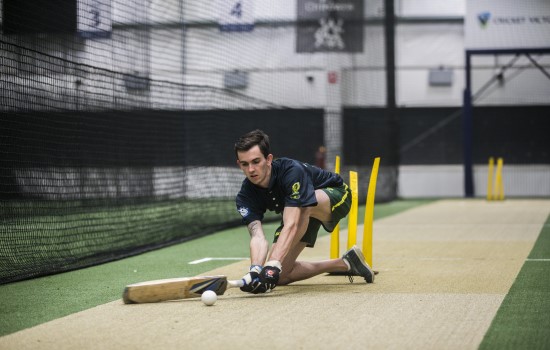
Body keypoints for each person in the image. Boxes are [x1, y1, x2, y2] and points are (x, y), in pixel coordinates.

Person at [234, 129, 374, 294]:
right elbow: (257, 236)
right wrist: (256, 270)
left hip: (334, 195)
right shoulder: (245, 195)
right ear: (239, 164)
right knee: (282, 276)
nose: (251, 169)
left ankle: (273, 264)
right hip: (299, 213)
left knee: (302, 209)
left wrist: (272, 264)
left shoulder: (291, 171)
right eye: (245, 164)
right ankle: (347, 263)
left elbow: (292, 224)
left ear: (269, 159)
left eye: (256, 161)